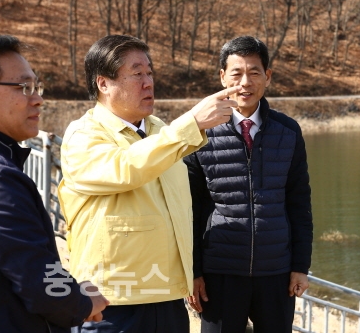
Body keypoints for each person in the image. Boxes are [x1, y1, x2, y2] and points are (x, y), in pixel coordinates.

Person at [57, 34, 241, 333]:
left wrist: (191, 274)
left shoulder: (161, 130)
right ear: (103, 84)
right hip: (112, 302)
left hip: (167, 297)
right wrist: (191, 124)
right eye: (137, 74)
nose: (148, 83)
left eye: (150, 73)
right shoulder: (83, 135)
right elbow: (125, 169)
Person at [0, 35, 109, 333]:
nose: (38, 99)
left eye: (37, 87)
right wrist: (83, 302)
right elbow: (38, 277)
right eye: (23, 87)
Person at [184, 36, 313, 333]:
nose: (245, 82)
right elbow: (189, 210)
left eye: (254, 72)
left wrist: (300, 266)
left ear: (267, 76)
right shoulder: (200, 134)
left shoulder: (288, 131)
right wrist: (193, 271)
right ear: (222, 77)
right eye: (236, 73)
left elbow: (299, 204)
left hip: (276, 272)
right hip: (219, 272)